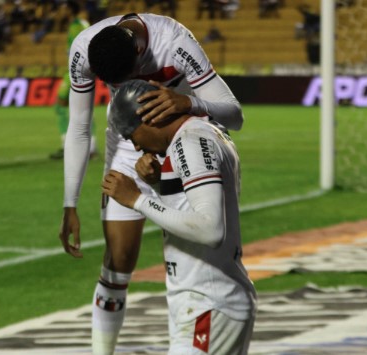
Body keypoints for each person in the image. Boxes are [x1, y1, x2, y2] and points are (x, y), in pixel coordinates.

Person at [58, 12, 244, 354]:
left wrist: (188, 102)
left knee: (199, 245)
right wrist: (70, 202)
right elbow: (80, 128)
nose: (127, 88)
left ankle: (215, 316)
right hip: (128, 146)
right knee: (118, 260)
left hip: (183, 141)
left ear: (141, 51)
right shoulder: (85, 49)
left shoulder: (175, 43)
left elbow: (234, 114)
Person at [102, 79, 257, 354]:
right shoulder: (195, 137)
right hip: (205, 301)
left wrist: (137, 199)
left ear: (148, 119)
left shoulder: (192, 142)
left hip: (209, 302)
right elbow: (189, 208)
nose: (136, 147)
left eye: (132, 136)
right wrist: (159, 184)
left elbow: (210, 230)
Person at [50, 0, 97, 160]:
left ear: (69, 9)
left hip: (76, 72)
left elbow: (88, 47)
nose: (60, 11)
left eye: (62, 7)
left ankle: (72, 146)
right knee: (78, 108)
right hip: (74, 71)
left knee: (66, 106)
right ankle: (89, 147)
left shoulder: (78, 25)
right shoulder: (76, 24)